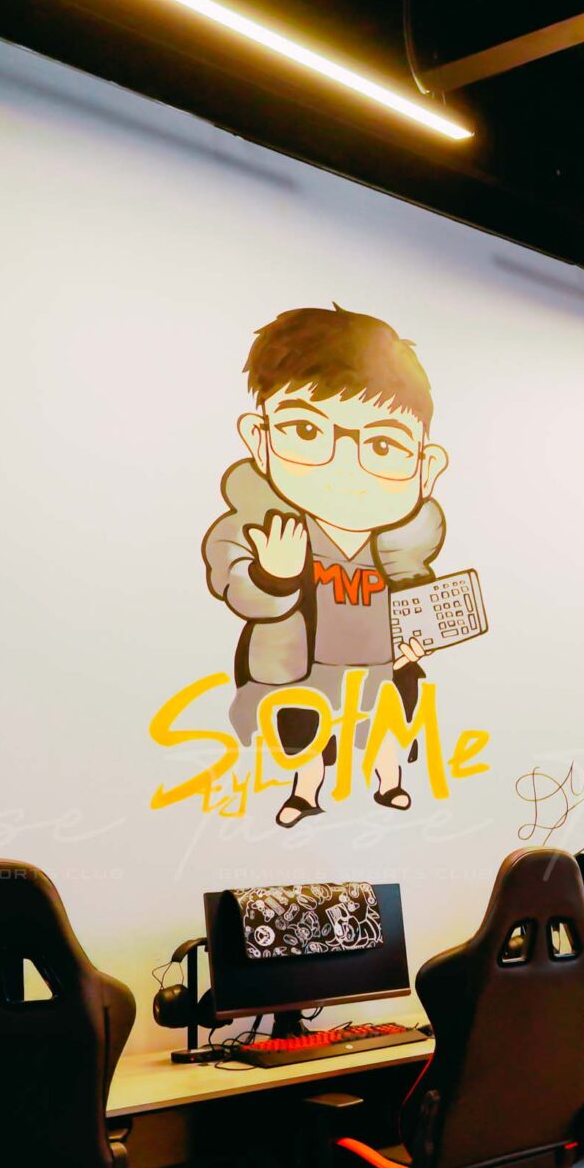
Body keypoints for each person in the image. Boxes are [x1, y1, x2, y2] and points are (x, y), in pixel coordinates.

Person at [201, 305, 454, 828]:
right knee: (305, 732)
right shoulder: (260, 526)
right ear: (259, 440)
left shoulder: (401, 547)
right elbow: (235, 582)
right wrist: (273, 576)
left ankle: (389, 782)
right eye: (306, 431)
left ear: (425, 468)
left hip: (380, 667)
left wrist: (414, 644)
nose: (345, 468)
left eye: (382, 444)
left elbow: (414, 603)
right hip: (302, 668)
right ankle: (305, 792)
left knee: (389, 723)